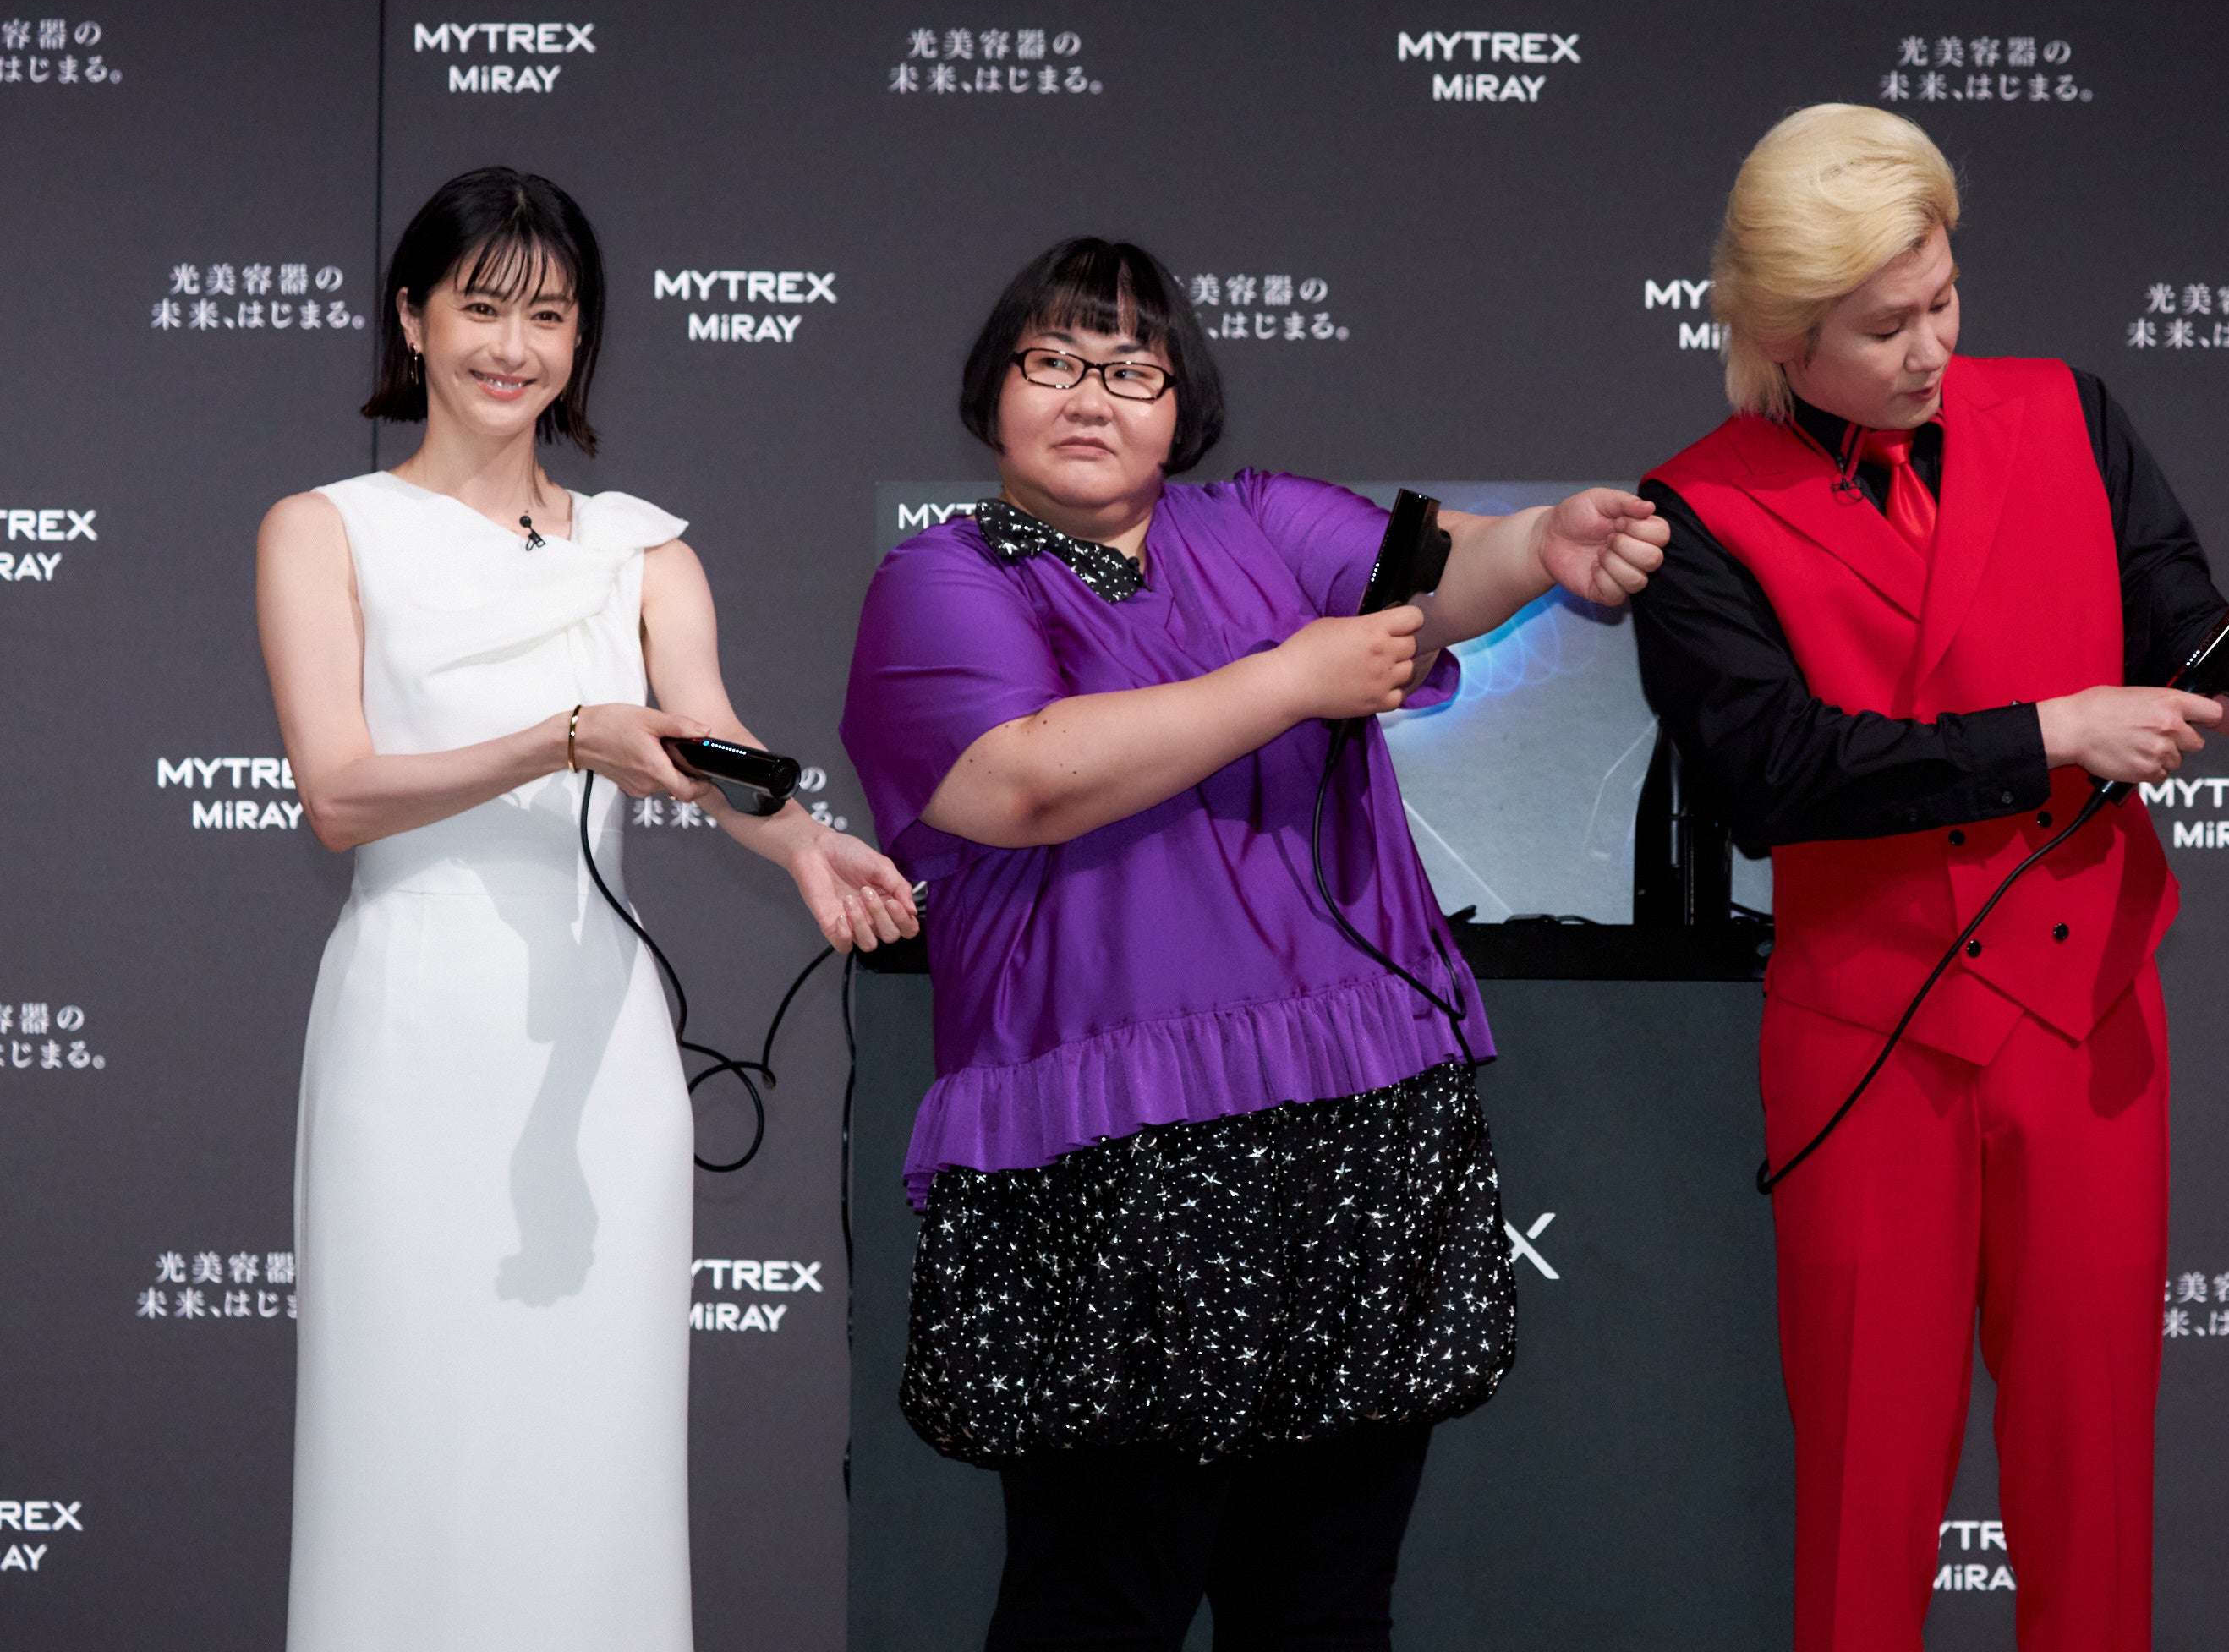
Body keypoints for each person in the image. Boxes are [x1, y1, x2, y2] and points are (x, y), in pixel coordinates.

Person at [1629, 105, 2229, 1652]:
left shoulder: (2068, 413)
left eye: (1945, 298)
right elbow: (1774, 775)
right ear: (1780, 334)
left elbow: (2192, 637)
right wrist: (2048, 733)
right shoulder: (1693, 512)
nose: (1933, 348)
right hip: (1868, 1047)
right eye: (1886, 326)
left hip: (2087, 1022)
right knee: (1865, 1496)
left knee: (2094, 1486)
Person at [841, 237, 1668, 1650]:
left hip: (1353, 1123)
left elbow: (1433, 577)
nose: (1089, 396)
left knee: (1327, 1604)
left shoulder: (1266, 524)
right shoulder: (943, 578)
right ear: (994, 389)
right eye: (1054, 361)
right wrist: (1291, 678)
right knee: (1096, 1600)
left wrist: (1542, 543)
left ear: (1184, 405)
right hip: (1109, 1156)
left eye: (1131, 369)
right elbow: (1018, 778)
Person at [256, 167, 918, 1651]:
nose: (514, 347)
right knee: (405, 1433)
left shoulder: (643, 550)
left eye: (549, 316)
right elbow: (340, 796)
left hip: (597, 1054)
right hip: (410, 1031)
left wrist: (806, 847)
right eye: (481, 307)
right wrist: (562, 739)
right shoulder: (324, 529)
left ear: (584, 341)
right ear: (411, 319)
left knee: (590, 1446)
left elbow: (710, 745)